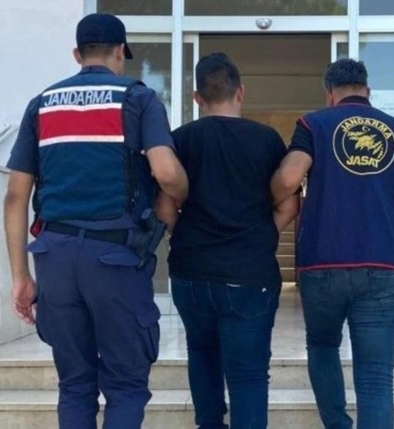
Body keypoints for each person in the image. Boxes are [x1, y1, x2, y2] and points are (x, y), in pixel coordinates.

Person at [3, 13, 188, 429]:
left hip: (54, 258)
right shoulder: (138, 98)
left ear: (77, 54)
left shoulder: (42, 104)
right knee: (125, 385)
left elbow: (16, 196)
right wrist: (182, 192)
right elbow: (167, 172)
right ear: (120, 52)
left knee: (75, 385)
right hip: (115, 258)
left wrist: (20, 276)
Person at [270, 58, 394, 429]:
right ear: (368, 91)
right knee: (376, 376)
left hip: (322, 264)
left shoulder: (314, 124)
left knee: (323, 346)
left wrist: (269, 197)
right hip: (384, 266)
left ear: (329, 93)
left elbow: (290, 178)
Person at [156, 52, 300, 429]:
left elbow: (165, 207)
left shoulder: (180, 140)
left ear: (196, 98)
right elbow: (290, 203)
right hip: (249, 275)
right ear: (241, 92)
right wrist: (263, 234)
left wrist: (185, 236)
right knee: (248, 374)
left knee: (202, 358)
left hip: (191, 273)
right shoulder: (267, 140)